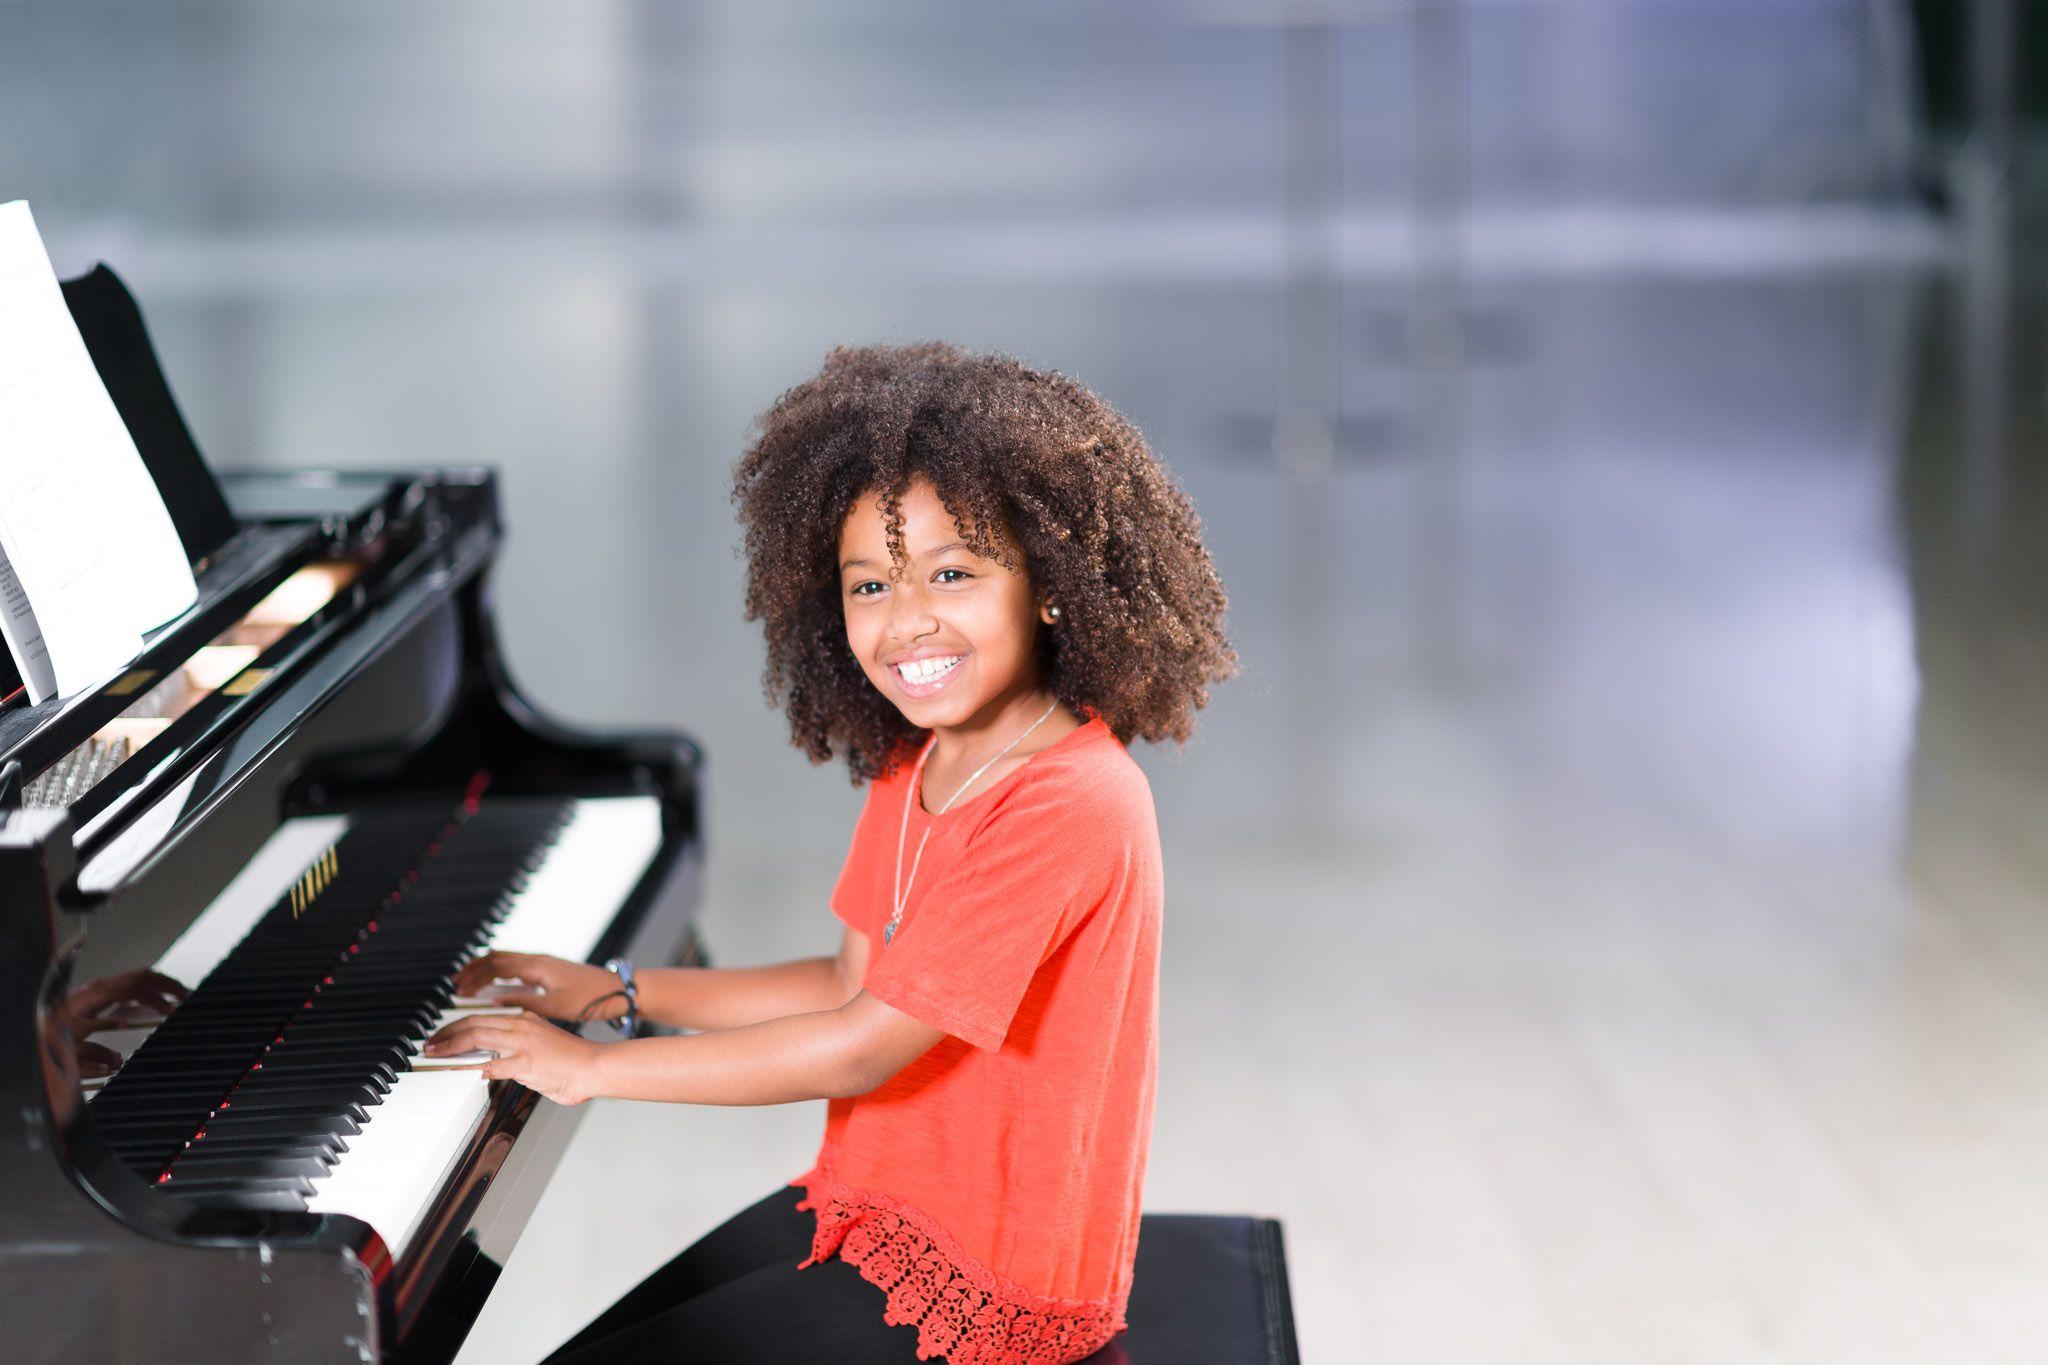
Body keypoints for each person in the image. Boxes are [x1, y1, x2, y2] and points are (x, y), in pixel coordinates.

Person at [425, 341, 1237, 1363]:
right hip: (880, 1210)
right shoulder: (919, 761)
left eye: (952, 573)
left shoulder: (1069, 799)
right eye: (868, 588)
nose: (907, 623)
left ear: (1050, 584)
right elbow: (848, 982)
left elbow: (860, 1043)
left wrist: (584, 1070)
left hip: (994, 1283)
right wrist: (613, 991)